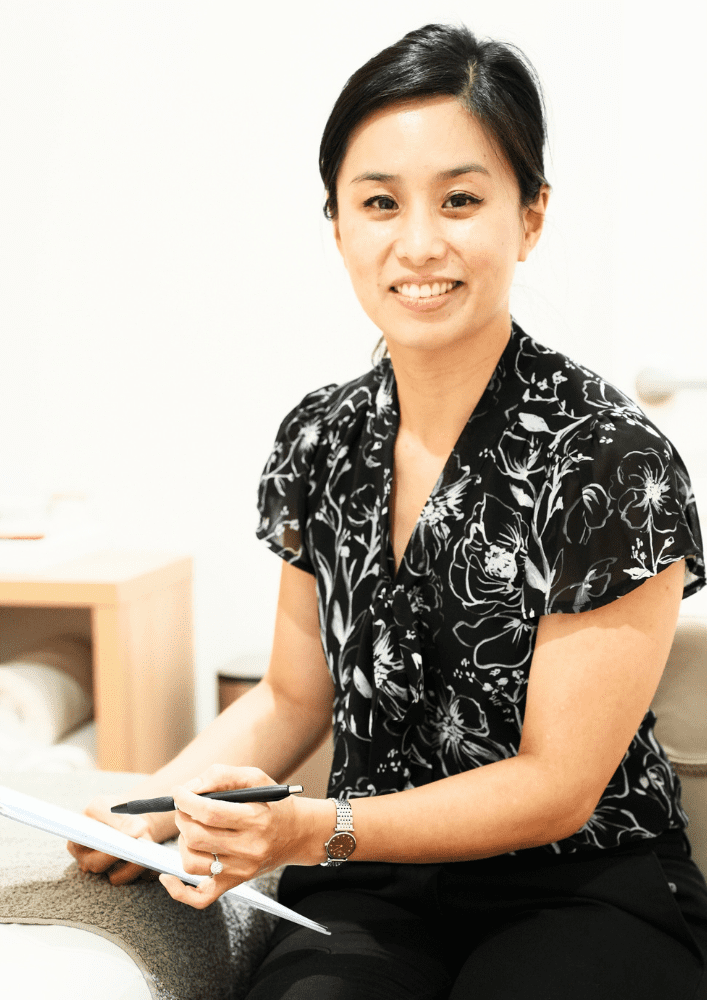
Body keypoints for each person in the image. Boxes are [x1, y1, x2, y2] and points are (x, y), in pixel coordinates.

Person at [69, 22, 707, 999]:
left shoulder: (610, 460)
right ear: (337, 225)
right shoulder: (319, 440)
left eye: (459, 199)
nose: (417, 243)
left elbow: (554, 784)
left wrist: (310, 827)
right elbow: (292, 699)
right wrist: (151, 806)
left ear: (528, 217)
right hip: (370, 888)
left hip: (582, 884)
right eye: (377, 203)